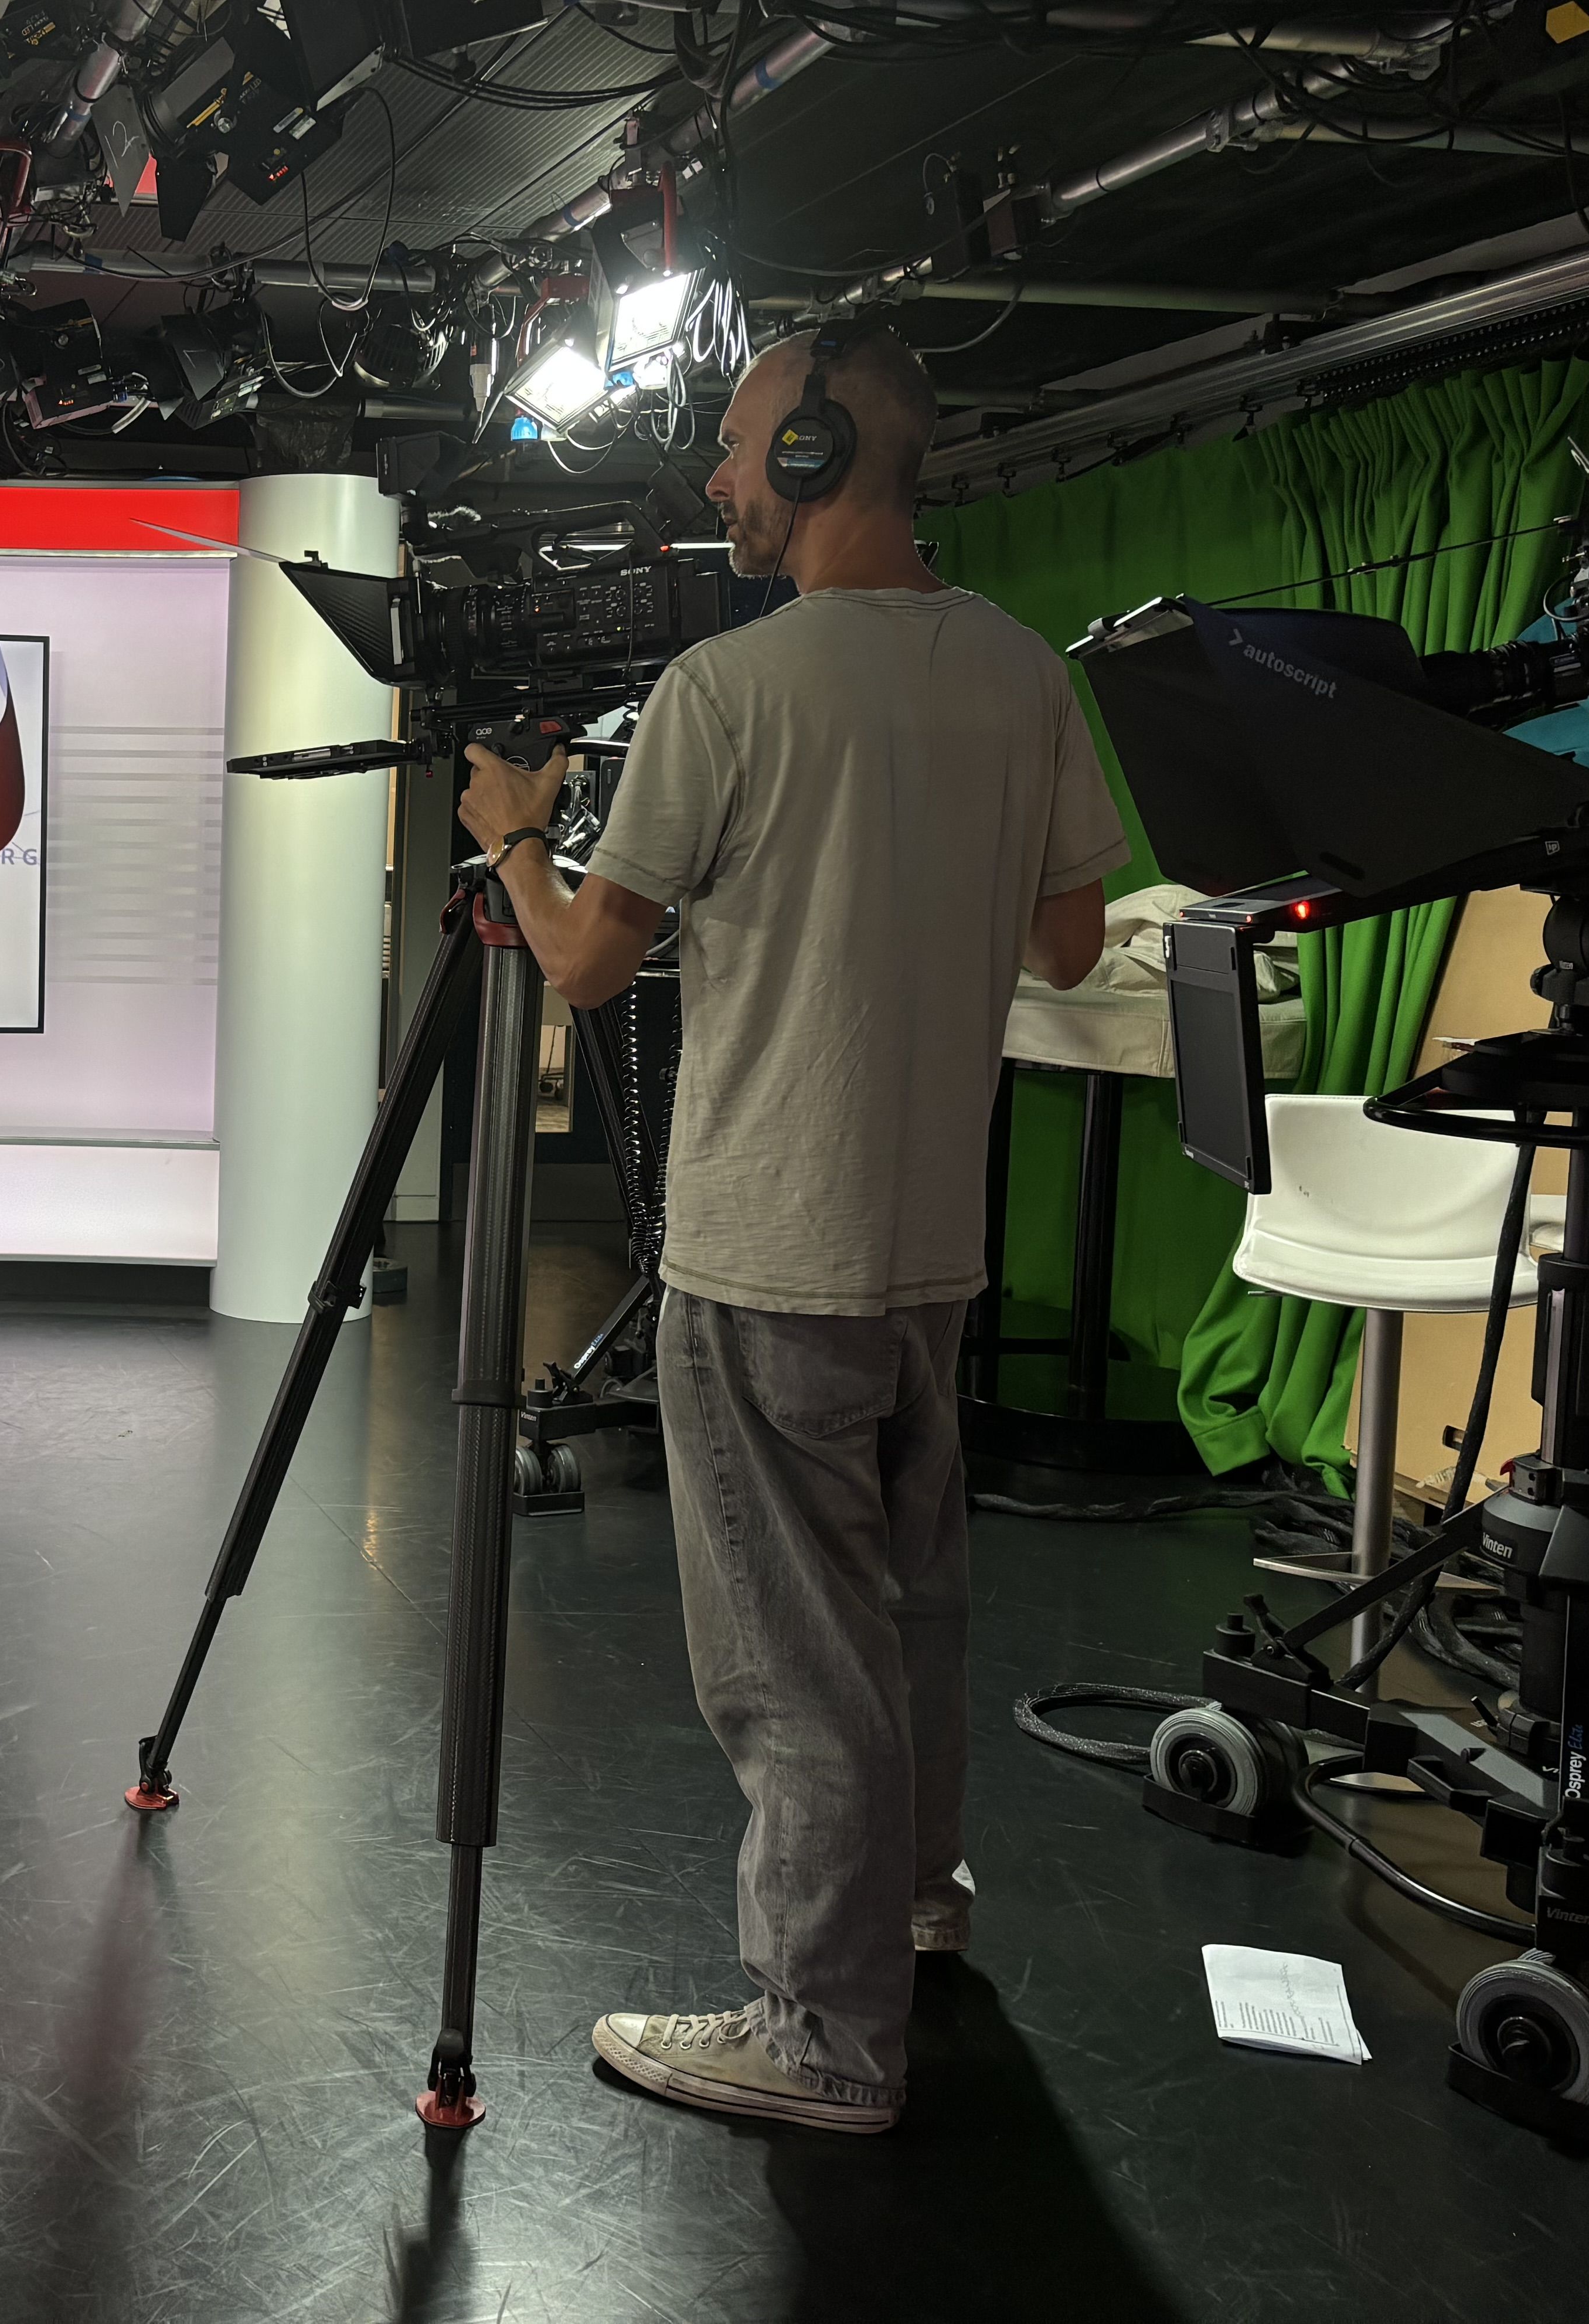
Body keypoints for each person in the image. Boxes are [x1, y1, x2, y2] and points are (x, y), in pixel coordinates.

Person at [455, 323, 1124, 2133]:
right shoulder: (1019, 671)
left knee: (795, 1658)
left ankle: (825, 2032)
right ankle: (915, 1901)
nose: (721, 478)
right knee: (909, 1607)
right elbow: (1070, 944)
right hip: (929, 1244)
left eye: (745, 444)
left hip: (767, 1247)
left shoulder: (727, 689)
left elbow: (586, 965)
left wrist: (514, 834)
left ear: (821, 455)